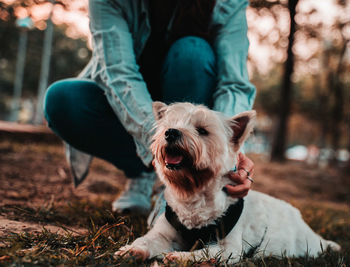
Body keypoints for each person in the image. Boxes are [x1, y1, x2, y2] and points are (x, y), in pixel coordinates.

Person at [43, 0, 256, 215]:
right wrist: (155, 142)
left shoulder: (228, 3)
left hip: (194, 94)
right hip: (130, 109)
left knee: (192, 53)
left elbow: (233, 84)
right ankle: (143, 174)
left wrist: (229, 152)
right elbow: (118, 74)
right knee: (62, 101)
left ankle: (183, 188)